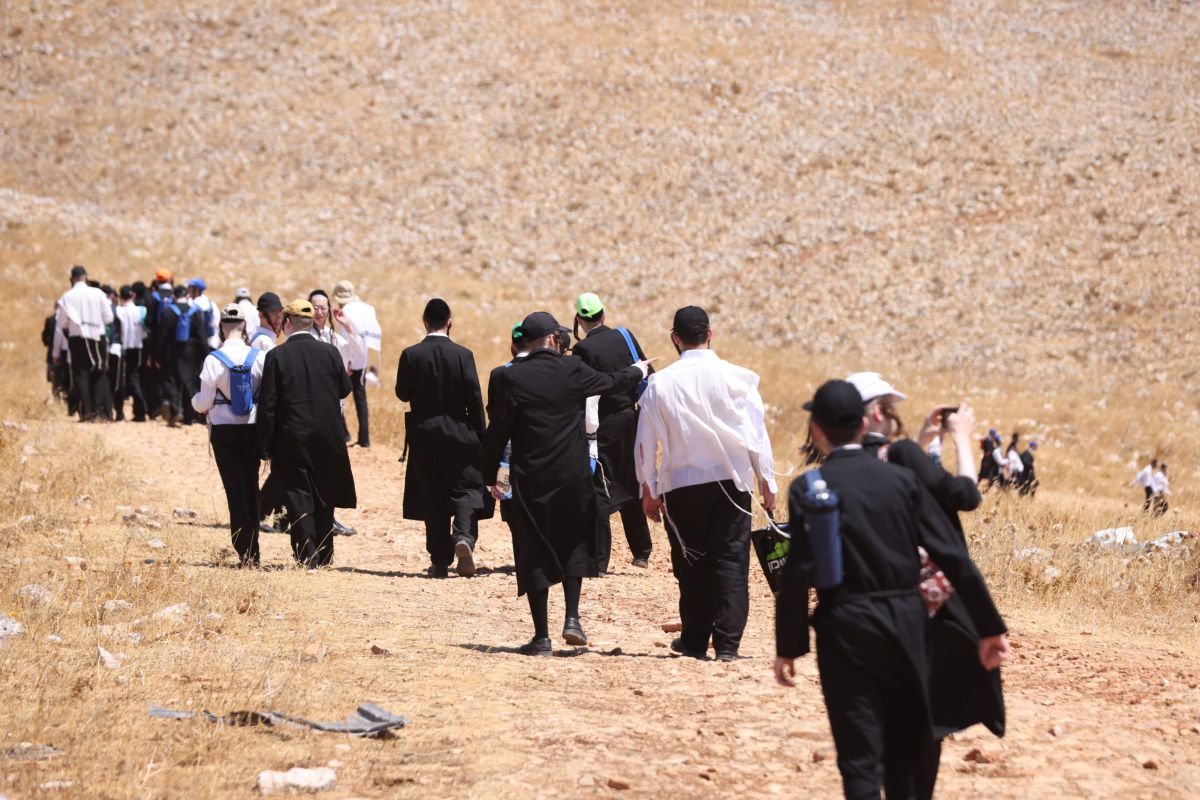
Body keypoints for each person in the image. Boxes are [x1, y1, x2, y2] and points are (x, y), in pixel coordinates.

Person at [774, 380, 1009, 800]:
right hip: (906, 620)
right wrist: (989, 627)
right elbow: (954, 556)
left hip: (843, 623)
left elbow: (797, 573)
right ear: (864, 423)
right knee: (907, 744)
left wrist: (789, 646)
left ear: (816, 429)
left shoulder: (809, 488)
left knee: (859, 751)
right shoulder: (901, 481)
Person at [846, 372, 1004, 799]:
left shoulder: (840, 465)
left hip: (860, 610)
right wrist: (961, 439)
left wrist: (920, 438)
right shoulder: (901, 455)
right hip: (917, 610)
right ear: (877, 413)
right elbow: (964, 496)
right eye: (891, 411)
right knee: (921, 721)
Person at [480, 311, 652, 655]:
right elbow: (611, 382)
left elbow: (496, 433)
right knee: (574, 542)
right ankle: (572, 618)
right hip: (573, 473)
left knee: (534, 549)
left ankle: (541, 636)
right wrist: (640, 370)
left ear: (525, 340)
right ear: (551, 338)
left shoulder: (507, 377)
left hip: (530, 478)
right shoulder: (572, 369)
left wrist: (490, 478)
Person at [635, 306, 777, 662]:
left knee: (691, 564)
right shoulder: (738, 378)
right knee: (731, 563)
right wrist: (768, 482)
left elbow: (645, 442)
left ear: (675, 339)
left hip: (681, 485)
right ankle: (728, 646)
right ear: (710, 334)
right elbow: (756, 435)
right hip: (732, 482)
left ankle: (695, 642)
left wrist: (648, 490)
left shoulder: (659, 383)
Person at [257, 299, 357, 568]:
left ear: (287, 323)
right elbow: (345, 388)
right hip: (328, 434)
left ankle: (307, 551)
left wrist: (264, 445)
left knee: (298, 492)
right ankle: (325, 552)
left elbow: (268, 405)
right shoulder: (330, 353)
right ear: (312, 322)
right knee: (324, 490)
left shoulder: (276, 356)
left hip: (292, 436)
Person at [395, 299, 489, 577]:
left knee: (432, 494)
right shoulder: (464, 354)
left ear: (424, 321)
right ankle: (462, 536)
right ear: (450, 321)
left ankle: (439, 560)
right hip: (460, 430)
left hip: (424, 432)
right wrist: (482, 437)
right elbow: (474, 396)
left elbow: (402, 393)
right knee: (465, 489)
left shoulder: (410, 354)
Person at [571, 292, 655, 571]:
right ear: (603, 314)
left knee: (602, 486)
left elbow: (585, 389)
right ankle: (642, 552)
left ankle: (600, 560)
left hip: (603, 424)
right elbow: (647, 371)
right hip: (632, 419)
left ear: (580, 320)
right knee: (631, 480)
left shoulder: (582, 350)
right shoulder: (625, 336)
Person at [191, 304, 265, 567]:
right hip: (253, 428)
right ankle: (254, 546)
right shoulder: (259, 357)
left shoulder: (213, 359)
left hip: (223, 430)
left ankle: (243, 549)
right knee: (251, 486)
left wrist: (194, 403)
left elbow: (204, 402)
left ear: (221, 327)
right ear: (244, 326)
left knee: (234, 489)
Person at [308, 288, 364, 536]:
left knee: (328, 468)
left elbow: (359, 355)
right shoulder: (301, 336)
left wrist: (348, 326)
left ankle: (327, 517)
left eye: (323, 307)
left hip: (332, 411)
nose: (319, 312)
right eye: (315, 307)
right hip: (308, 408)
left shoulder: (333, 337)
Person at [55, 265, 114, 423]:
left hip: (77, 337)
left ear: (72, 279)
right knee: (99, 371)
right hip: (97, 336)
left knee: (81, 374)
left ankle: (87, 412)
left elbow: (61, 323)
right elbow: (109, 318)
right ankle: (100, 411)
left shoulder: (67, 296)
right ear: (86, 277)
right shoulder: (98, 293)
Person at [331, 280, 381, 448]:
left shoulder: (345, 312)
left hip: (349, 361)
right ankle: (364, 438)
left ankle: (344, 433)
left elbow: (347, 339)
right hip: (363, 360)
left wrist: (348, 363)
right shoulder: (367, 308)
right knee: (361, 398)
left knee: (337, 396)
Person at [156, 284, 207, 427]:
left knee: (172, 380)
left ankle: (175, 410)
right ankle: (190, 416)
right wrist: (205, 354)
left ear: (174, 296)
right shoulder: (195, 312)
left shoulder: (168, 312)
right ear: (187, 296)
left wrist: (158, 356)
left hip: (172, 351)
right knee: (189, 381)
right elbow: (202, 336)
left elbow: (162, 337)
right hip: (191, 352)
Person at [113, 285, 148, 422]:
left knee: (123, 379)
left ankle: (128, 411)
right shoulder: (141, 310)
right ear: (133, 295)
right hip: (137, 347)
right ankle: (139, 411)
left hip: (123, 348)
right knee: (134, 377)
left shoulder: (119, 311)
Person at [188, 278, 219, 349]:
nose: (188, 289)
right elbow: (216, 323)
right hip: (211, 343)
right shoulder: (211, 304)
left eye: (190, 287)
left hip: (195, 345)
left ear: (196, 290)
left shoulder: (190, 304)